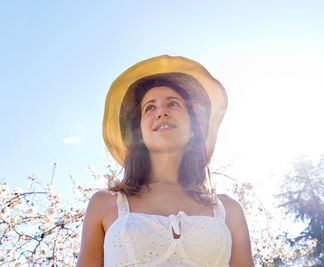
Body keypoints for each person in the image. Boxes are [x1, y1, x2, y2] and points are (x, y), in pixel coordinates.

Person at [77, 55, 254, 266]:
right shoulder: (103, 204)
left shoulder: (229, 210)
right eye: (150, 108)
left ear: (193, 130)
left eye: (173, 103)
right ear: (140, 133)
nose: (161, 111)